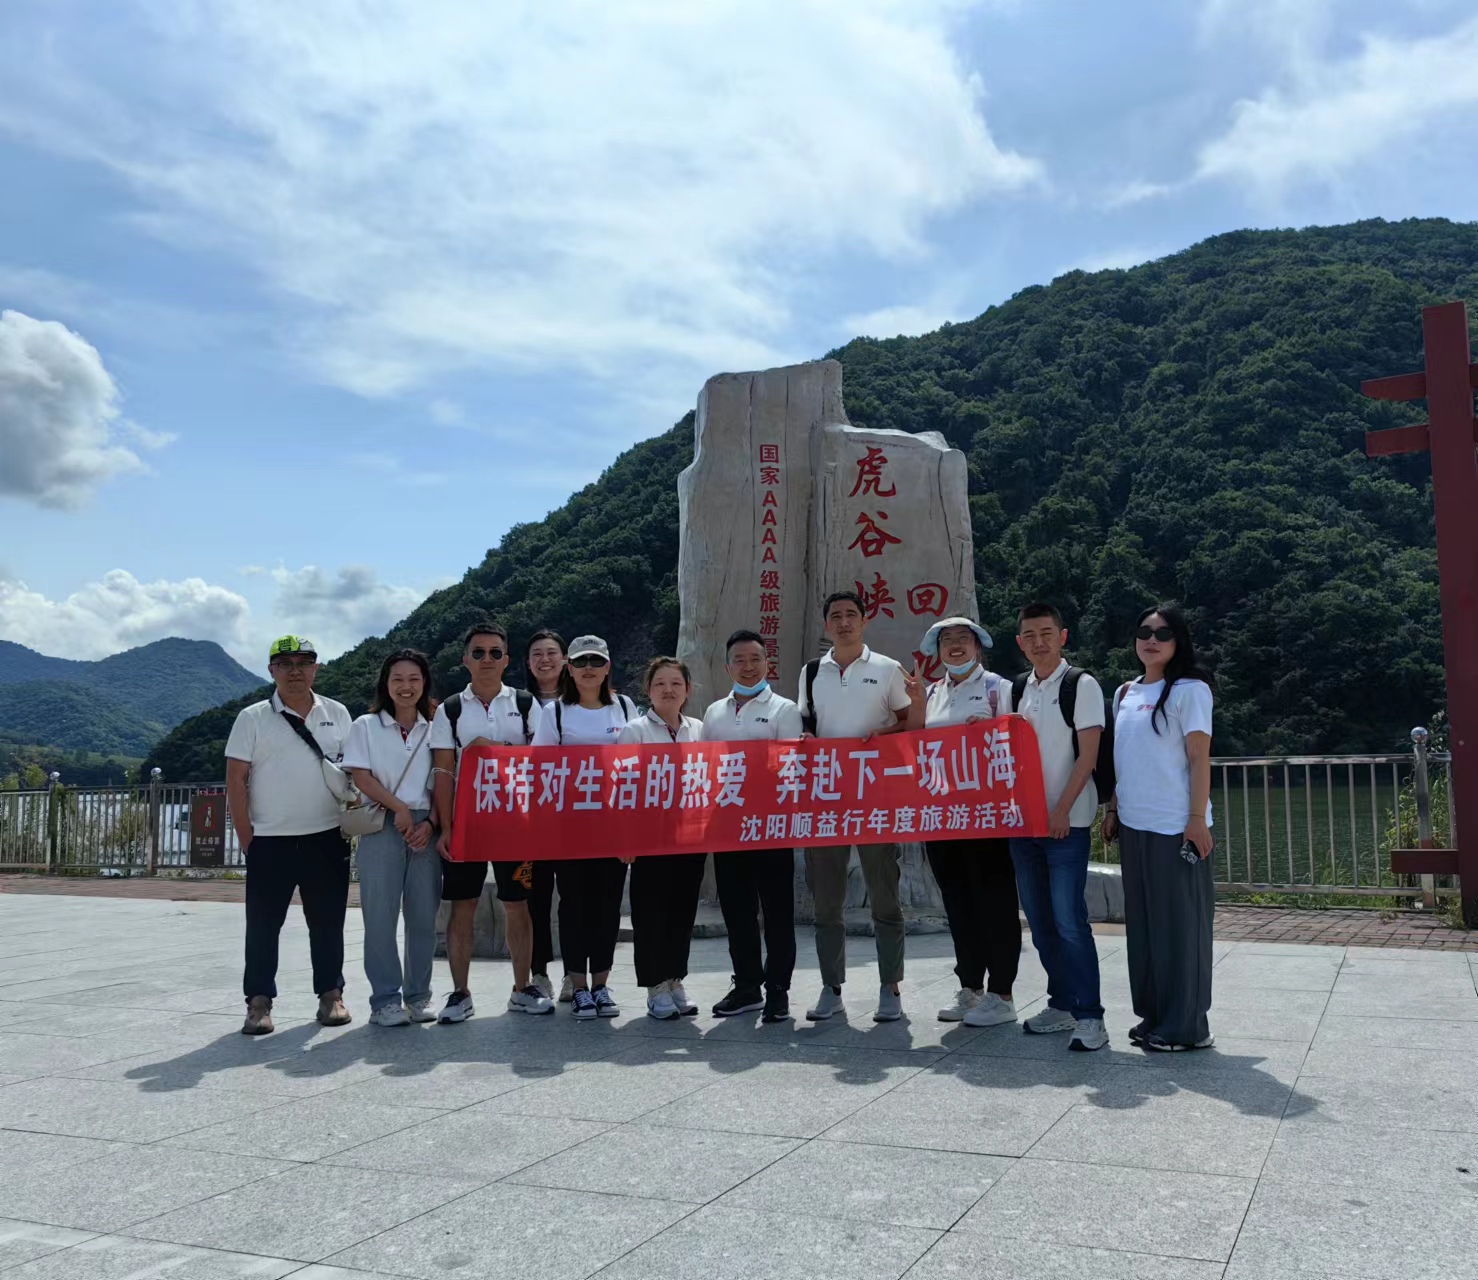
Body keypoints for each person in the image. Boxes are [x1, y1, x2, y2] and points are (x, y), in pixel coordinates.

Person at [225, 635, 353, 1035]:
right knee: (262, 926)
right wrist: (247, 838)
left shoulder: (337, 713)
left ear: (316, 668)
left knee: (328, 923)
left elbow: (354, 771)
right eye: (285, 664)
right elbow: (236, 780)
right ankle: (258, 1002)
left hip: (327, 835)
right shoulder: (252, 718)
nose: (295, 671)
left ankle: (331, 995)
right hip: (269, 840)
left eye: (303, 663)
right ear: (272, 671)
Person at [1102, 604, 1216, 1052]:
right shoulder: (1125, 692)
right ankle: (1154, 1017)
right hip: (1135, 823)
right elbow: (1125, 759)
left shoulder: (1191, 690)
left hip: (1175, 825)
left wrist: (1196, 820)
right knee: (1146, 927)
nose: (1152, 640)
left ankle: (1187, 1026)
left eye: (1163, 633)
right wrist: (1113, 809)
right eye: (1145, 631)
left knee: (1180, 928)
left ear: (1178, 641)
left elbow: (1198, 759)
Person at [797, 591, 912, 1022]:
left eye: (851, 615)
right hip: (827, 799)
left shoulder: (887, 669)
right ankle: (832, 988)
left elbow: (908, 725)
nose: (844, 622)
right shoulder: (811, 672)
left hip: (875, 798)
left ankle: (890, 987)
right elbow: (806, 724)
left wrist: (881, 737)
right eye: (836, 616)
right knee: (827, 902)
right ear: (826, 625)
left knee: (885, 897)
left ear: (865, 621)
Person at [430, 622, 554, 1023]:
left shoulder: (525, 704)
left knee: (518, 904)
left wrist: (492, 749)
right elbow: (443, 772)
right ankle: (460, 993)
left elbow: (542, 761)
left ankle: (522, 988)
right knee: (462, 904)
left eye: (495, 653)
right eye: (479, 652)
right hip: (467, 823)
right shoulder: (450, 709)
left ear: (506, 659)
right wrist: (446, 827)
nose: (487, 659)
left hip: (515, 823)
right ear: (465, 659)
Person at [907, 616, 1022, 1029]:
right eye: (946, 641)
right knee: (958, 903)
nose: (954, 646)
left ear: (978, 646)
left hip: (988, 816)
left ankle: (1002, 993)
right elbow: (914, 743)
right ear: (937, 651)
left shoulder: (998, 688)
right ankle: (970, 986)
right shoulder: (931, 692)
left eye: (963, 639)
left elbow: (1019, 736)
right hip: (942, 816)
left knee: (996, 902)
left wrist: (992, 728)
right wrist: (914, 704)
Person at [1008, 603, 1108, 1051]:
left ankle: (1091, 1016)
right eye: (1029, 635)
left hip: (1066, 824)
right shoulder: (1018, 689)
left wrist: (1061, 811)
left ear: (1063, 636)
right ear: (1019, 642)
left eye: (1046, 633)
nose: (1038, 642)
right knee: (1040, 921)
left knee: (1069, 921)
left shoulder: (1080, 684)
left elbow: (1087, 758)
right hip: (1024, 825)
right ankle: (1062, 1003)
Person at [530, 634, 637, 1018]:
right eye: (580, 662)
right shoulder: (555, 713)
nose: (588, 669)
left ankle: (602, 985)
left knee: (608, 905)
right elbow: (540, 770)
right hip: (569, 829)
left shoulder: (625, 707)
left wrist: (631, 832)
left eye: (595, 661)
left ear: (607, 667)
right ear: (569, 669)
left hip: (613, 826)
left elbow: (637, 769)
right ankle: (578, 986)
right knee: (573, 905)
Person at [704, 629, 804, 1023]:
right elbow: (705, 768)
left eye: (755, 659)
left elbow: (789, 768)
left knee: (777, 912)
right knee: (737, 911)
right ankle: (747, 985)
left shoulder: (784, 709)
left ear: (767, 663)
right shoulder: (714, 712)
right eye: (740, 660)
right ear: (727, 667)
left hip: (771, 826)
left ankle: (778, 989)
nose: (748, 667)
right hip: (727, 826)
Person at [342, 649, 440, 1027]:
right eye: (397, 678)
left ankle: (418, 995)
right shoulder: (365, 725)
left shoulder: (436, 727)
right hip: (381, 822)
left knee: (423, 917)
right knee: (380, 917)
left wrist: (432, 822)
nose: (406, 686)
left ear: (425, 683)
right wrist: (398, 807)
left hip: (425, 827)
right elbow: (360, 776)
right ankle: (384, 1000)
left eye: (414, 679)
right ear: (385, 683)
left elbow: (445, 780)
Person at [618, 657, 705, 1020]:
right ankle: (655, 985)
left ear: (687, 690)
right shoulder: (635, 731)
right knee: (651, 911)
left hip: (690, 836)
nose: (668, 690)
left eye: (676, 684)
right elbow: (622, 787)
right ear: (648, 690)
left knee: (683, 911)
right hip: (649, 838)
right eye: (660, 684)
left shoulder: (699, 730)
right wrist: (627, 838)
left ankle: (675, 978)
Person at [524, 629, 567, 1001]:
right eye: (537, 654)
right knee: (534, 898)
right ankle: (539, 973)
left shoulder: (587, 702)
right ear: (527, 662)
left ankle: (574, 974)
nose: (545, 659)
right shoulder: (515, 702)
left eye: (552, 652)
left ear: (565, 659)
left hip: (572, 817)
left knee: (573, 897)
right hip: (530, 819)